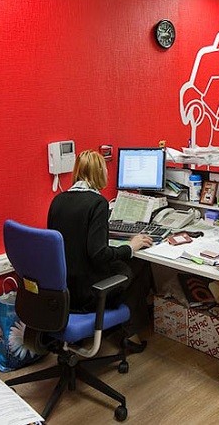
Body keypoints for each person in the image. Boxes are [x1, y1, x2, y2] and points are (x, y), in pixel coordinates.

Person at [47, 150, 153, 352]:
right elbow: (99, 254)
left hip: (63, 292)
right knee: (137, 265)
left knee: (124, 264)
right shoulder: (98, 203)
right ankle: (130, 334)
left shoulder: (58, 200)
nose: (107, 173)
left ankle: (114, 328)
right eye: (105, 169)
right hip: (88, 294)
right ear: (98, 172)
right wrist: (130, 247)